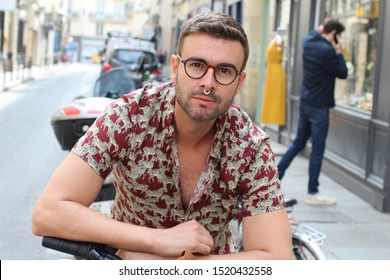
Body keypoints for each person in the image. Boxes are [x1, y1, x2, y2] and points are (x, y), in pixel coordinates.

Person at [32, 12, 292, 260]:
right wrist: (157, 240)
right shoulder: (128, 117)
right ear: (175, 67)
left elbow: (277, 257)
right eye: (197, 65)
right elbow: (48, 213)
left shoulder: (250, 145)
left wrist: (171, 264)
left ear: (239, 82)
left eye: (224, 71)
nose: (208, 82)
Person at [277, 19, 348, 206]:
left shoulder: (308, 42)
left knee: (298, 142)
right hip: (319, 107)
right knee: (317, 148)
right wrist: (338, 51)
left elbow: (311, 33)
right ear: (334, 34)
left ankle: (274, 177)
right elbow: (343, 72)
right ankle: (313, 192)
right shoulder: (327, 52)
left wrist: (321, 31)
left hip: (305, 102)